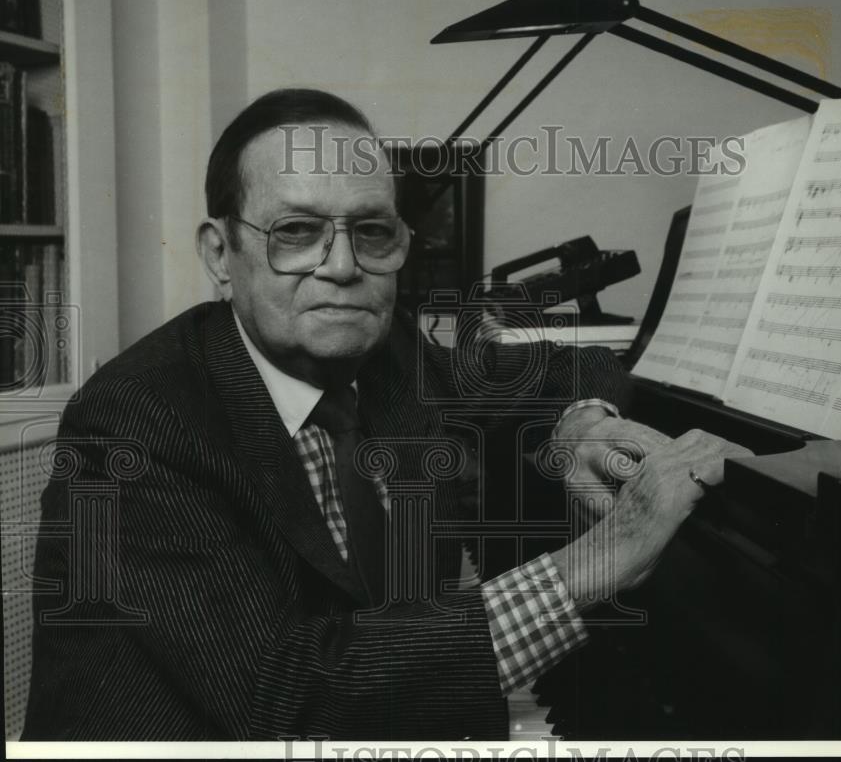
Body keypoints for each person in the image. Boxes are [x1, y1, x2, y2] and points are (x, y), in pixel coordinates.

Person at [22, 89, 748, 740]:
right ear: (221, 252)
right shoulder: (136, 422)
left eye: (371, 232)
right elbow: (290, 700)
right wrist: (599, 560)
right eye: (297, 232)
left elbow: (557, 372)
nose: (342, 267)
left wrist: (579, 426)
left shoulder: (389, 352)